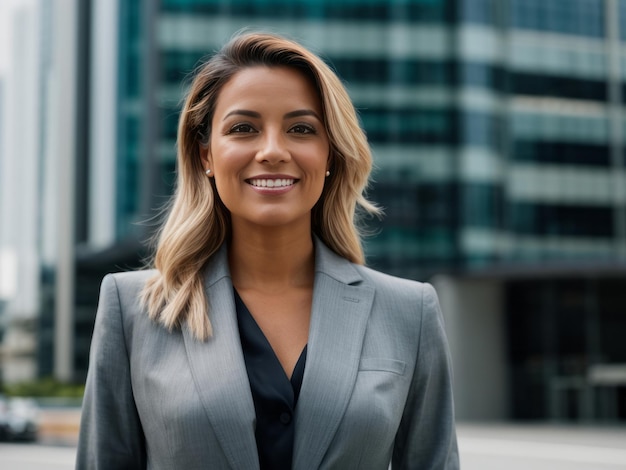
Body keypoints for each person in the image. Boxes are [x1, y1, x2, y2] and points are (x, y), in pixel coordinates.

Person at [76, 31, 459, 470]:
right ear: (206, 156)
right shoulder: (132, 310)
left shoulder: (410, 312)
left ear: (330, 152)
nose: (273, 151)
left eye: (301, 129)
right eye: (243, 129)